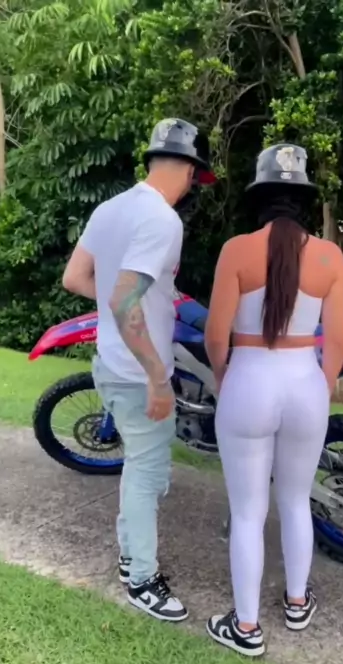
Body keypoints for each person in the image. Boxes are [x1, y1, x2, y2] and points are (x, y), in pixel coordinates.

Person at [62, 118, 216, 623]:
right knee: (147, 475)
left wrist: (120, 304)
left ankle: (133, 558)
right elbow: (123, 297)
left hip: (110, 362)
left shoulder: (109, 209)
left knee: (139, 469)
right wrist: (157, 378)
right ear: (189, 171)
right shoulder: (162, 220)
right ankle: (142, 579)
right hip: (136, 372)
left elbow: (75, 278)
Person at [204, 143, 343, 657]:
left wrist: (223, 376)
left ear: (260, 198)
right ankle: (296, 601)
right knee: (295, 500)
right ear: (304, 200)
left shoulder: (237, 251)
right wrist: (321, 387)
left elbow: (216, 336)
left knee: (248, 511)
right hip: (305, 383)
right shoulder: (330, 257)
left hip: (249, 380)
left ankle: (245, 627)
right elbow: (336, 344)